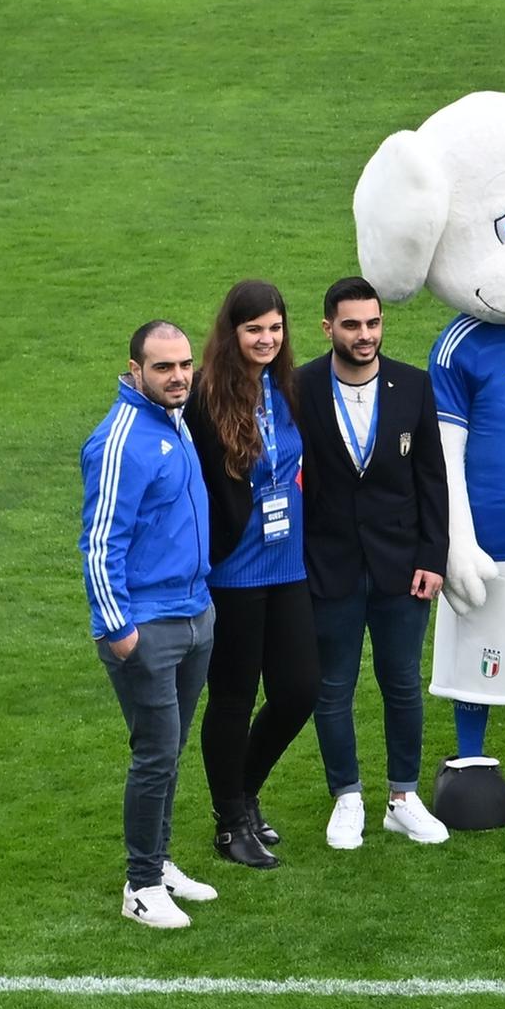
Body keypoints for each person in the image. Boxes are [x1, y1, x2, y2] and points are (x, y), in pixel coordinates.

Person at [296, 277, 452, 851]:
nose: (366, 336)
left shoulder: (412, 385)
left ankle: (403, 798)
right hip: (328, 566)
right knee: (332, 686)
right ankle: (347, 797)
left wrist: (434, 556)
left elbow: (432, 479)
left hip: (402, 566)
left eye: (374, 323)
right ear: (329, 328)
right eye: (353, 325)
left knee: (403, 683)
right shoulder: (301, 387)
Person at [86, 320, 222, 929]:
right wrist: (120, 630)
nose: (178, 377)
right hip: (146, 626)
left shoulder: (173, 421)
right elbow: (99, 544)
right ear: (134, 368)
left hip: (194, 614)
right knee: (155, 753)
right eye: (163, 367)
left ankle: (160, 863)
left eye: (185, 365)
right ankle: (140, 885)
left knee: (169, 751)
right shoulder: (119, 440)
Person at [185, 279, 316, 872]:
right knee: (234, 697)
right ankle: (230, 823)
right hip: (233, 569)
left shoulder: (288, 385)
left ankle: (243, 792)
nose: (266, 339)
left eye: (274, 328)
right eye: (253, 329)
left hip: (287, 562)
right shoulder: (207, 395)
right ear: (232, 333)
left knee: (297, 691)